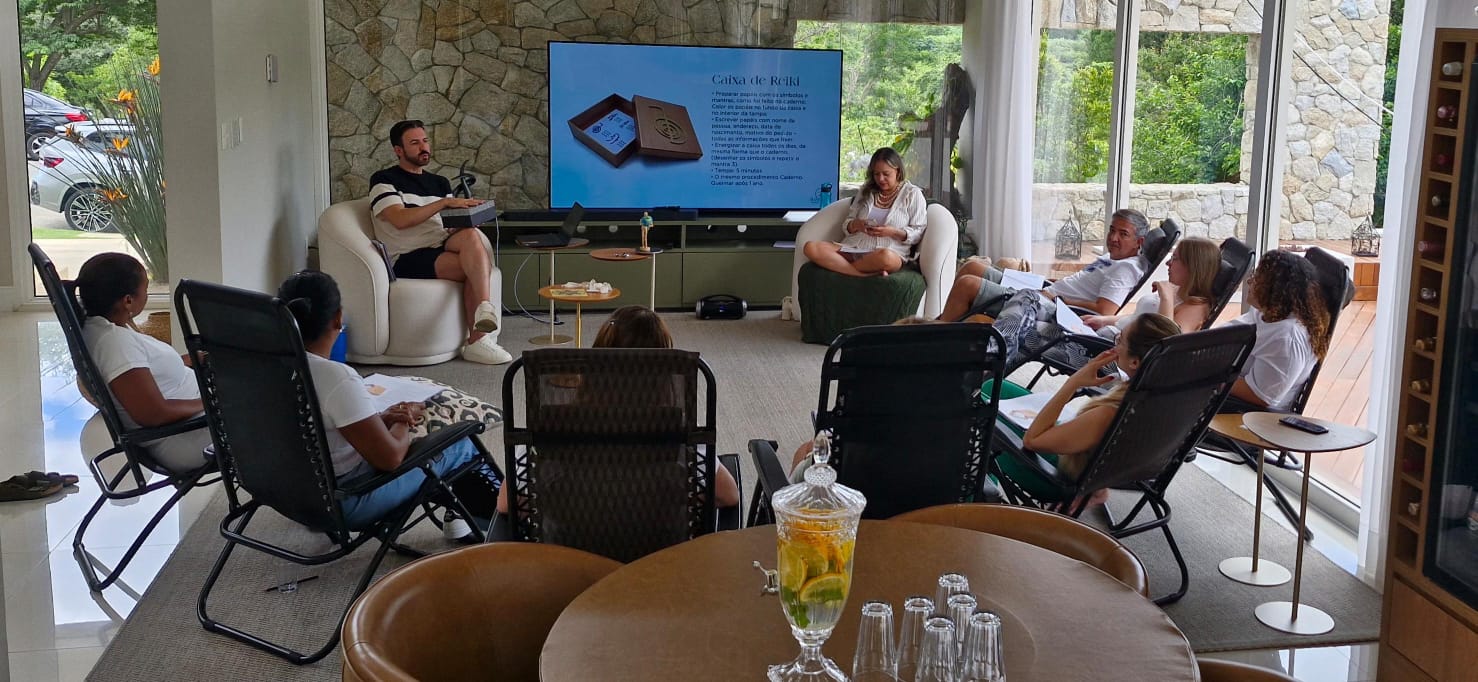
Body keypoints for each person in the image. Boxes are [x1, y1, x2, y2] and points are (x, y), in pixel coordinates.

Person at [277, 270, 502, 536]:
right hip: (345, 503)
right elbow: (390, 459)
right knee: (459, 445)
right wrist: (404, 418)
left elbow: (316, 428)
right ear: (338, 318)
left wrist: (380, 419)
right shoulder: (334, 378)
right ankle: (505, 523)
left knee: (427, 452)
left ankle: (464, 513)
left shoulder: (260, 367)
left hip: (286, 496)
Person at [995, 313, 1183, 508]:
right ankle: (1098, 490)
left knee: (982, 408)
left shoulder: (1109, 414)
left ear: (1135, 362)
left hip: (1049, 475)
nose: (1115, 345)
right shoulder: (1169, 403)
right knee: (995, 388)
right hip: (1091, 472)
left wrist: (1073, 383)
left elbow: (1032, 441)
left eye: (1120, 340)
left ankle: (984, 491)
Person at [368, 119, 510, 365]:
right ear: (398, 150)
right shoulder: (383, 180)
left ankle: (484, 310)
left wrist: (468, 218)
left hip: (440, 243)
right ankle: (478, 341)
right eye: (415, 143)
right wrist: (444, 202)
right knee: (475, 268)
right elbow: (400, 220)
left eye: (425, 141)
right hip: (408, 255)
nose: (424, 147)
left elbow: (446, 224)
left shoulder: (439, 182)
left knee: (470, 235)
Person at [989, 236, 1222, 372]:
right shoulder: (1175, 290)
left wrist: (1167, 297)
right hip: (1098, 335)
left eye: (1176, 259)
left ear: (1193, 267)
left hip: (1108, 355)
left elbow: (1167, 346)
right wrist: (1106, 319)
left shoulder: (1196, 306)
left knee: (1025, 332)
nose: (1169, 263)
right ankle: (989, 362)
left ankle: (987, 363)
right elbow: (1139, 318)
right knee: (1028, 296)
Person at [71, 253, 212, 473]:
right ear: (128, 300)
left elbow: (146, 373)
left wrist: (194, 359)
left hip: (196, 420)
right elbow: (154, 415)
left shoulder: (102, 327)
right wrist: (212, 403)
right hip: (187, 438)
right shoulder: (114, 343)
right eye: (145, 288)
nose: (147, 293)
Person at [593, 306, 740, 508]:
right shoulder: (674, 428)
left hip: (577, 527)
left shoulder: (566, 420)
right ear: (664, 368)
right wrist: (677, 500)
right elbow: (729, 495)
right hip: (660, 527)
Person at [939, 208, 1151, 321]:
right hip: (1046, 288)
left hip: (1048, 306)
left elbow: (1105, 311)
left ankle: (936, 337)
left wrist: (1059, 298)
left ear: (1139, 242)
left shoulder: (1126, 269)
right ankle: (942, 322)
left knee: (968, 284)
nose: (1113, 238)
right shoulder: (1115, 257)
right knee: (971, 268)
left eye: (1123, 234)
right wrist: (1053, 284)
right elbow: (1084, 284)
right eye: (1112, 230)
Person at [1221, 250, 1330, 411]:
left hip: (1238, 410)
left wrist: (1208, 379)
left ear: (1275, 289)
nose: (1250, 281)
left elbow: (1260, 396)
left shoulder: (1287, 338)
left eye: (1257, 279)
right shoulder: (1267, 313)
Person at [802, 147, 928, 277]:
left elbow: (918, 232)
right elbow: (847, 224)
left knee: (886, 258)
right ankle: (861, 274)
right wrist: (856, 225)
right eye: (876, 174)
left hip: (887, 253)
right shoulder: (866, 191)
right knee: (810, 247)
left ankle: (842, 268)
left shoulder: (912, 194)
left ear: (898, 171)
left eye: (886, 174)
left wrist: (893, 232)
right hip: (854, 248)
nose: (881, 179)